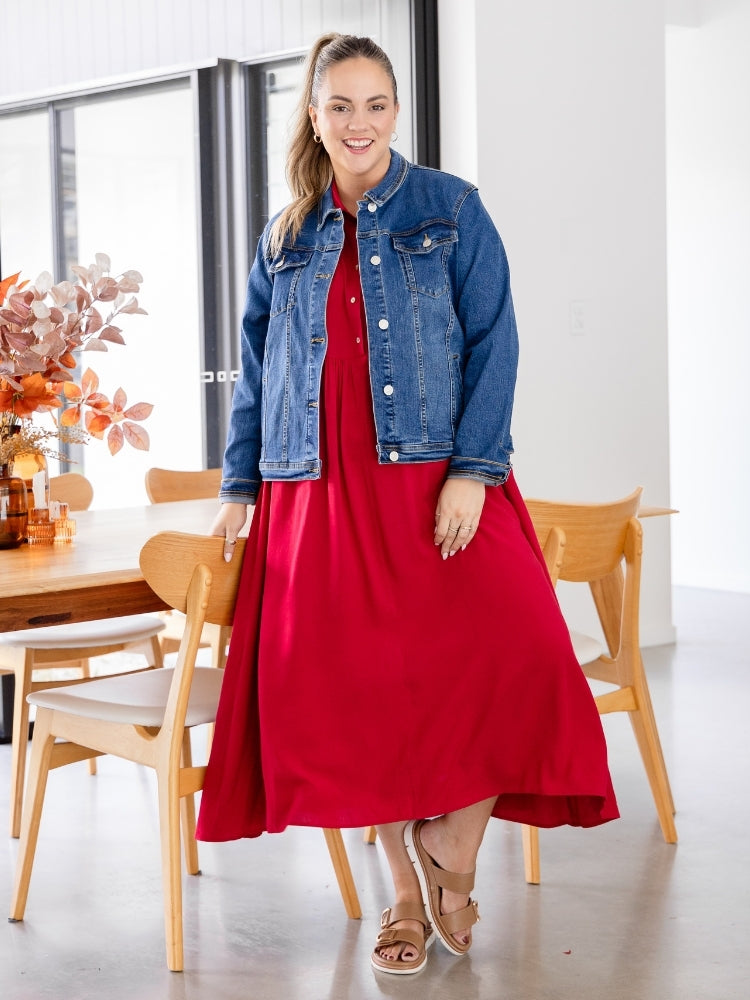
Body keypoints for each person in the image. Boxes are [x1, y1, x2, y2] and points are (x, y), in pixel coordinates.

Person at [196, 32, 618, 975]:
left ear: (397, 111)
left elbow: (496, 341)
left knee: (524, 655)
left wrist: (474, 470)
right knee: (363, 702)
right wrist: (238, 485)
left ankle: (449, 851)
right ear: (314, 116)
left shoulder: (451, 208)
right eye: (340, 105)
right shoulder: (284, 235)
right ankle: (402, 897)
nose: (360, 123)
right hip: (316, 489)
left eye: (376, 104)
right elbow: (259, 372)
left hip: (435, 478)